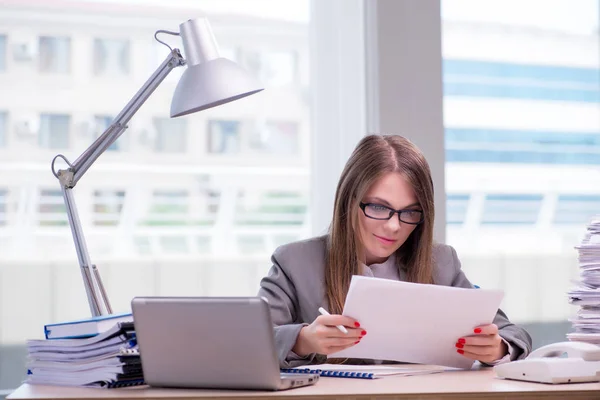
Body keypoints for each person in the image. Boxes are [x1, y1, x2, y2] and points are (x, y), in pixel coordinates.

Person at [258, 134, 532, 368]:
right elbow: (252, 341)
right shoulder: (295, 262)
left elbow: (512, 334)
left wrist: (497, 348)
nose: (393, 226)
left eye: (410, 212)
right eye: (378, 207)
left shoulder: (441, 263)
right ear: (348, 201)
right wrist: (304, 340)